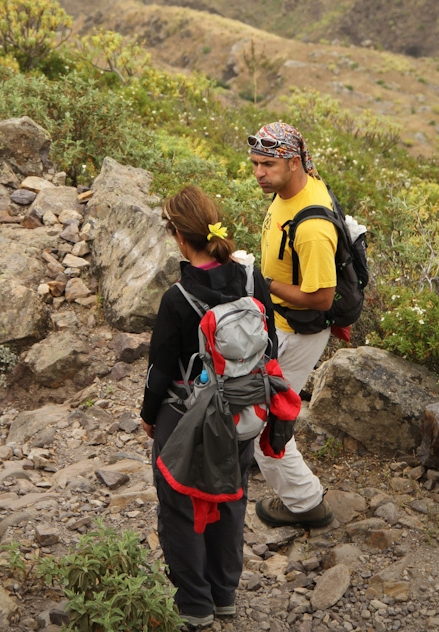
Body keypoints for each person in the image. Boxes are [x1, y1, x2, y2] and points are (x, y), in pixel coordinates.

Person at [140, 185, 277, 630]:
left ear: (180, 237)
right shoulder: (251, 280)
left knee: (180, 503)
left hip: (188, 417)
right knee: (231, 495)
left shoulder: (178, 298)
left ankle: (194, 604)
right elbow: (271, 343)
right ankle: (224, 596)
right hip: (242, 412)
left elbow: (160, 370)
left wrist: (148, 416)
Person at [248, 120, 336, 529]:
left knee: (266, 425)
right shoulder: (290, 189)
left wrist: (263, 285)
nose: (259, 173)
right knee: (258, 408)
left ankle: (306, 504)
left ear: (294, 162)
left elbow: (322, 297)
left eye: (267, 164)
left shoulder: (313, 227)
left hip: (296, 332)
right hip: (279, 323)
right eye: (255, 164)